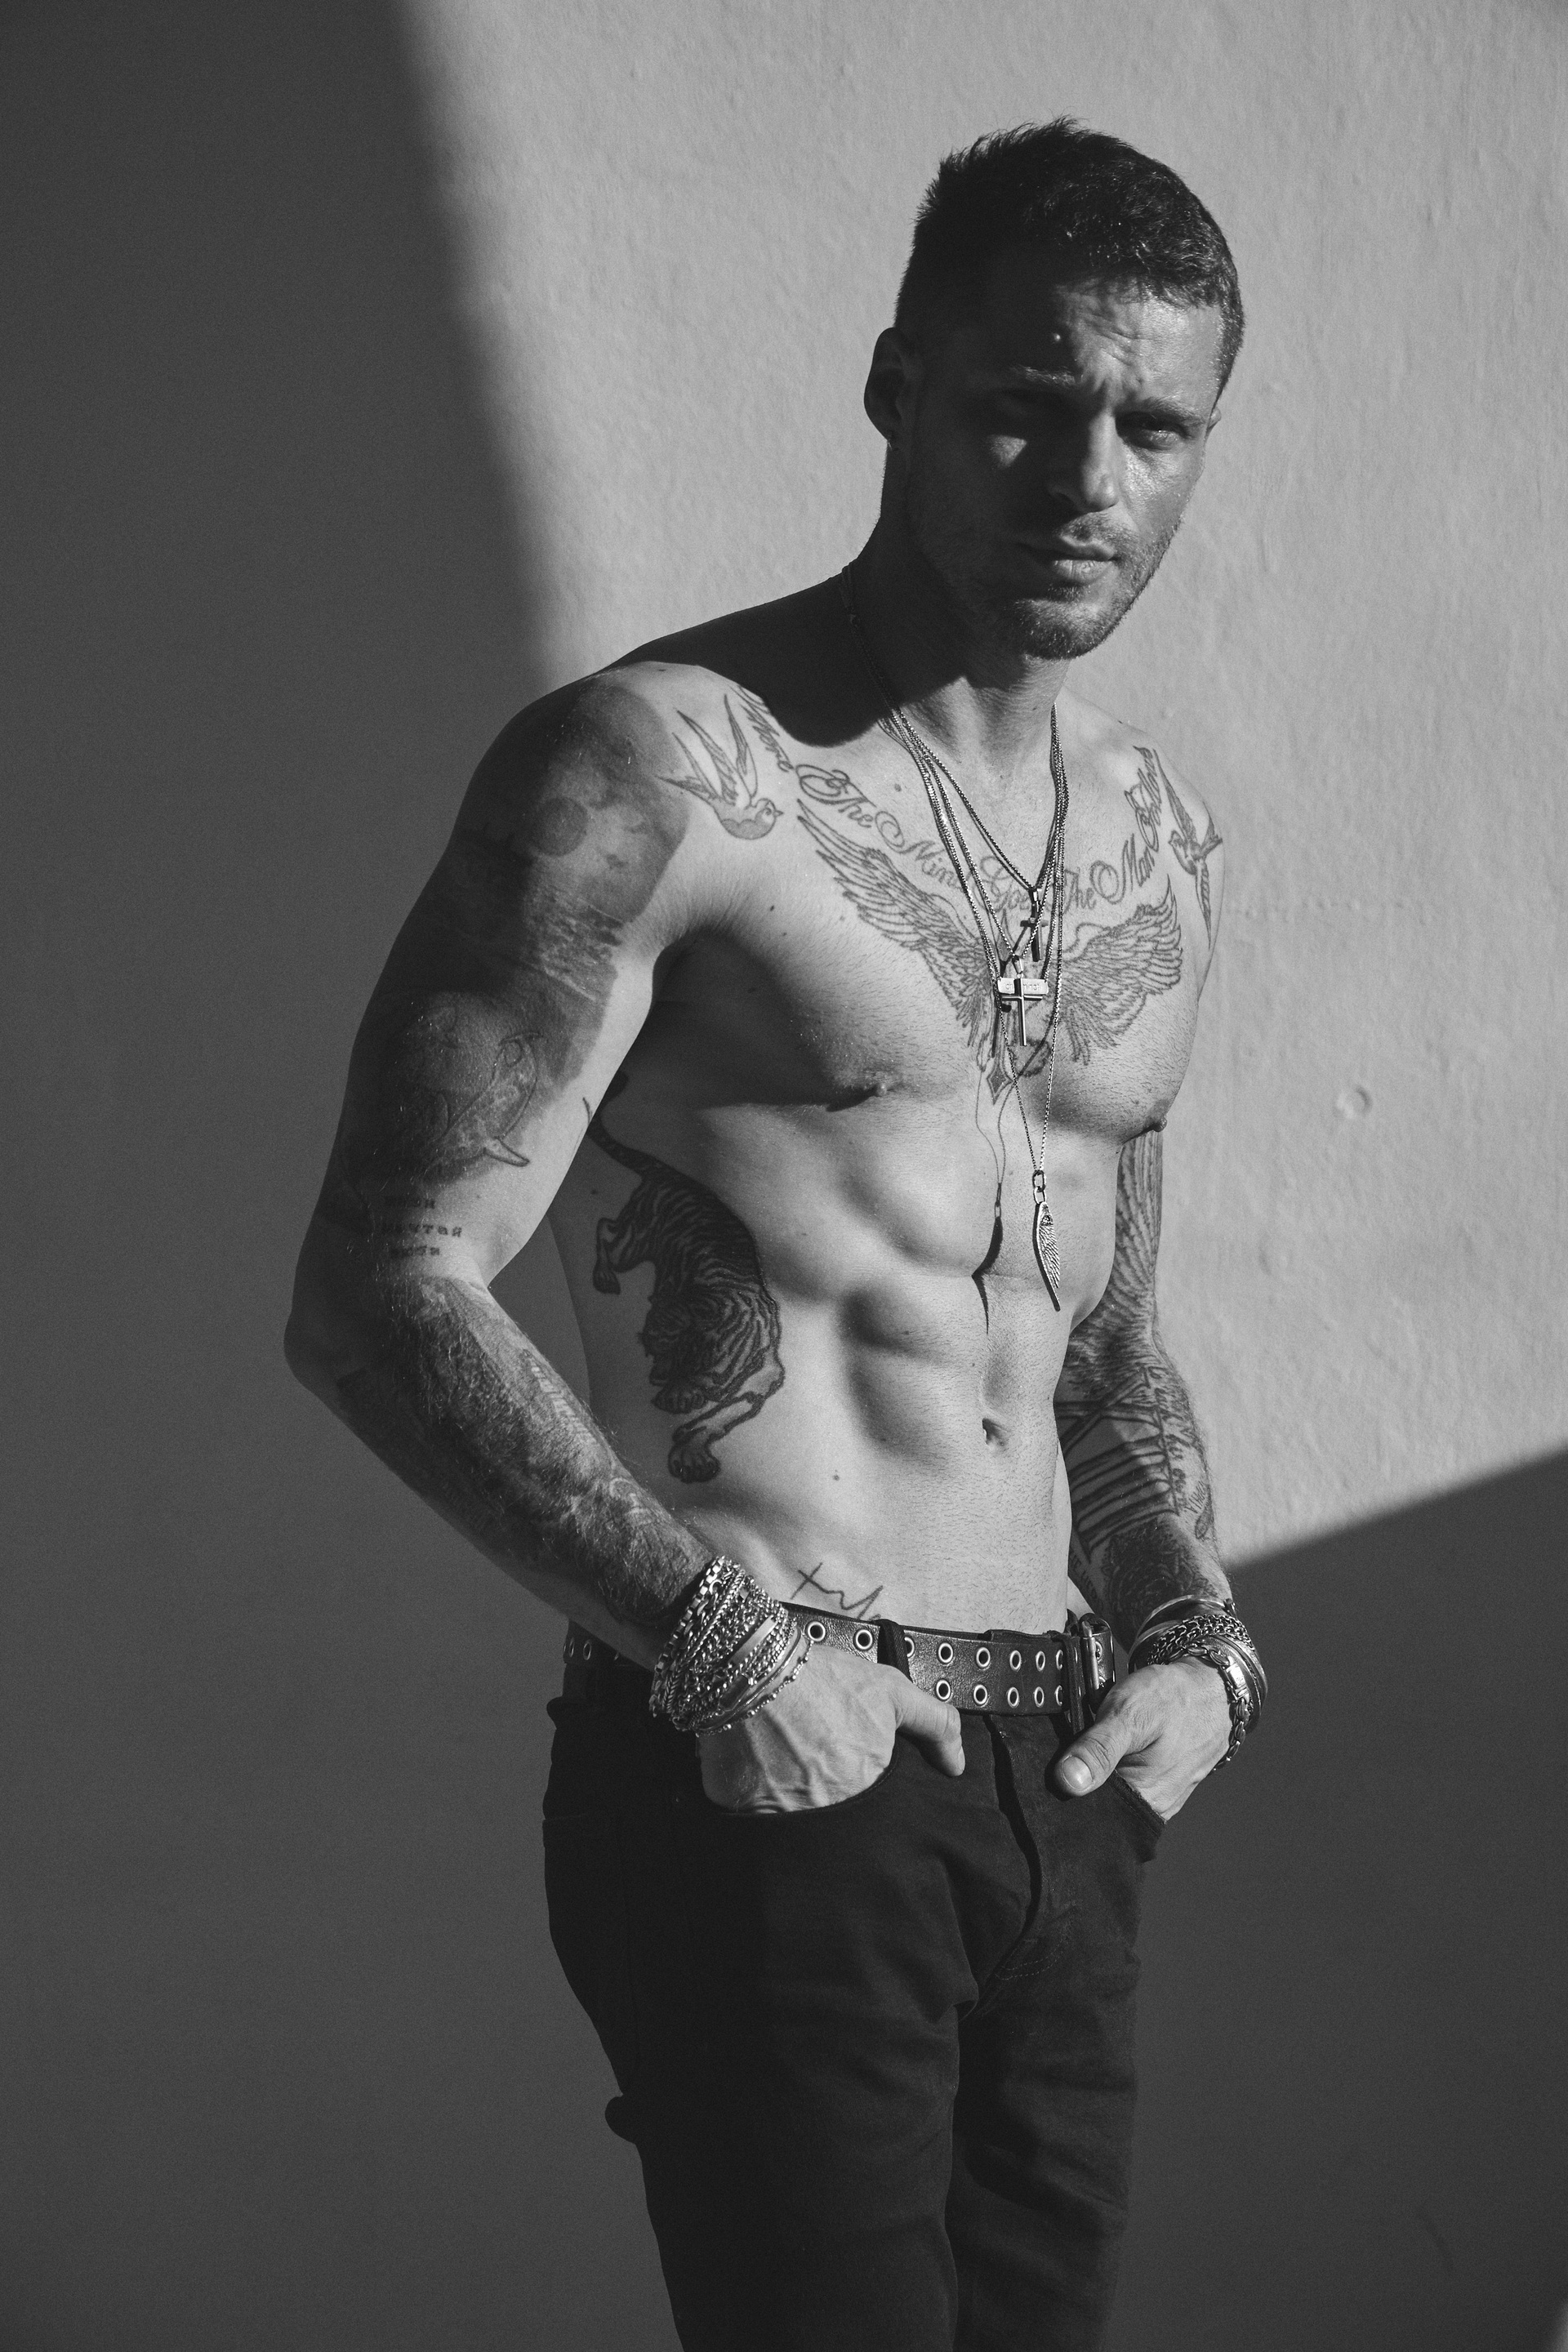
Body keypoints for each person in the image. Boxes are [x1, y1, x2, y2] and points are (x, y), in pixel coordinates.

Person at [287, 117, 1266, 2352]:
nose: (1087, 478)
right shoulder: (659, 771)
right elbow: (376, 1284)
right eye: (1026, 403)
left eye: (1154, 429)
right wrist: (723, 1647)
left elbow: (1098, 1332)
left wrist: (1198, 1648)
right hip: (775, 1753)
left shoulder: (1162, 846)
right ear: (894, 385)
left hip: (1065, 1781)